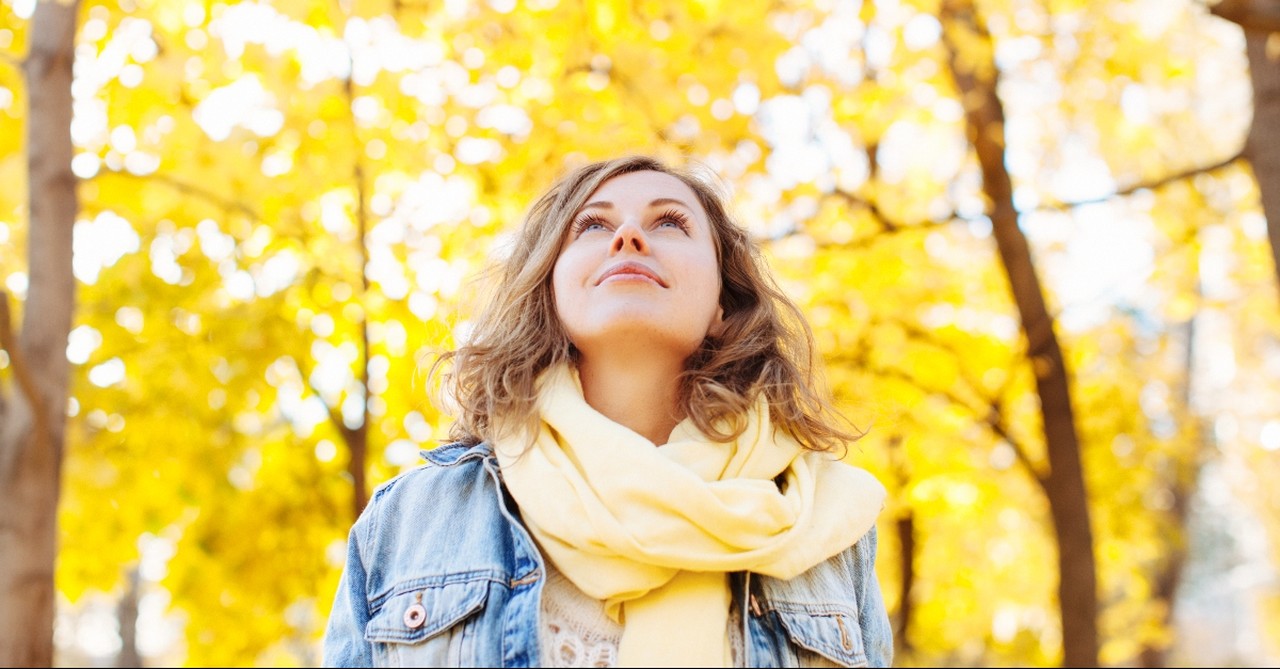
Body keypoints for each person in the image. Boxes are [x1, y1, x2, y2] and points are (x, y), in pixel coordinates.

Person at [322, 155, 892, 668]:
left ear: (723, 302)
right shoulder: (414, 520)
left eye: (670, 221)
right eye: (593, 225)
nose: (627, 236)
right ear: (551, 286)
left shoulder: (826, 525)